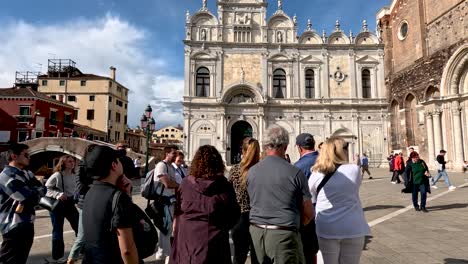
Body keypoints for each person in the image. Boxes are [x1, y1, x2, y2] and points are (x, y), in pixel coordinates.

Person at [247, 125, 313, 264]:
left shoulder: (251, 172)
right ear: (286, 146)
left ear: (265, 146)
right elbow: (308, 212)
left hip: (256, 233)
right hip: (284, 234)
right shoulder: (295, 173)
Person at [170, 145, 240, 264]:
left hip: (187, 242)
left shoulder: (185, 183)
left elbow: (178, 209)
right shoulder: (224, 186)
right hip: (215, 243)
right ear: (218, 163)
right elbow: (233, 215)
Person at [308, 137, 370, 264]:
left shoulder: (316, 173)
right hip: (353, 227)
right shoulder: (354, 170)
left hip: (326, 227)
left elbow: (312, 197)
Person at [82, 145, 139, 264]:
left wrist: (127, 193)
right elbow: (127, 250)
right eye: (118, 161)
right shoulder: (118, 197)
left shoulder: (90, 191)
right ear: (114, 166)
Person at [0, 143, 46, 264]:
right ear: (14, 156)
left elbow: (43, 189)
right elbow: (26, 197)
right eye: (26, 154)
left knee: (21, 260)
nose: (29, 157)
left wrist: (34, 192)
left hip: (27, 222)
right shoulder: (5, 176)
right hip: (13, 225)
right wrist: (35, 192)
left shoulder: (28, 173)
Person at [229, 138, 260, 264]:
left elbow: (229, 194)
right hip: (259, 218)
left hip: (239, 218)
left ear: (242, 150)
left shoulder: (235, 170)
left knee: (238, 257)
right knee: (258, 258)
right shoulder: (261, 170)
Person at [45, 155, 79, 262]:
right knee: (58, 231)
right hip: (58, 205)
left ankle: (82, 250)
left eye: (73, 161)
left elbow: (75, 189)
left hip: (70, 203)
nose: (72, 163)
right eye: (69, 161)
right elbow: (45, 188)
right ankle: (58, 256)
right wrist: (57, 194)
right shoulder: (58, 175)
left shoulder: (74, 174)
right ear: (63, 163)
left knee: (79, 227)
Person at [67, 144, 97, 264]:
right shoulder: (82, 167)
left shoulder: (99, 167)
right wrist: (97, 186)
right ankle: (71, 259)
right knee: (82, 236)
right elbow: (80, 188)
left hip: (96, 203)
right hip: (85, 204)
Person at [293, 133, 319, 264]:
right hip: (328, 213)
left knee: (307, 251)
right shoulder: (326, 161)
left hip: (307, 215)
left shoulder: (297, 167)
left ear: (299, 148)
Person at [152, 145, 179, 263]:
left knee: (167, 228)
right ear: (167, 153)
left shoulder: (170, 167)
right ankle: (166, 254)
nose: (176, 155)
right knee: (166, 227)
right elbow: (167, 183)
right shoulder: (161, 166)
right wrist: (179, 185)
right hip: (163, 200)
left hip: (170, 200)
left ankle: (162, 252)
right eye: (174, 153)